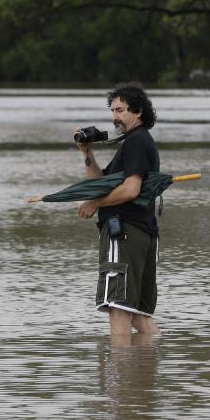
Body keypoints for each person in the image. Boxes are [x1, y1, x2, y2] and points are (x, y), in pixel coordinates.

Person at [75, 83, 162, 339]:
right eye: (112, 111)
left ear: (138, 111)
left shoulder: (136, 141)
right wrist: (87, 153)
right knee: (138, 313)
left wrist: (95, 204)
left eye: (120, 110)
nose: (115, 117)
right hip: (143, 232)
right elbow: (98, 184)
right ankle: (149, 361)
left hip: (124, 231)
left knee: (118, 308)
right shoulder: (137, 141)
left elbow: (131, 189)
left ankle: (120, 365)